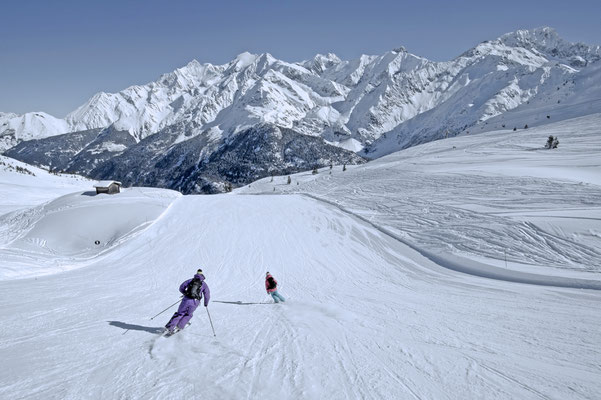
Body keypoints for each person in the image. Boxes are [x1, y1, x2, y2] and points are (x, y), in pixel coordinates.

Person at [165, 269, 210, 334]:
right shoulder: (204, 284)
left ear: (196, 274)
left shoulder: (190, 280)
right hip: (195, 302)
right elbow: (207, 294)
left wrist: (185, 293)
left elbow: (181, 287)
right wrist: (206, 303)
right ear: (202, 275)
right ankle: (180, 326)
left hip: (186, 300)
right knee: (188, 314)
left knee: (180, 313)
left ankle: (170, 327)